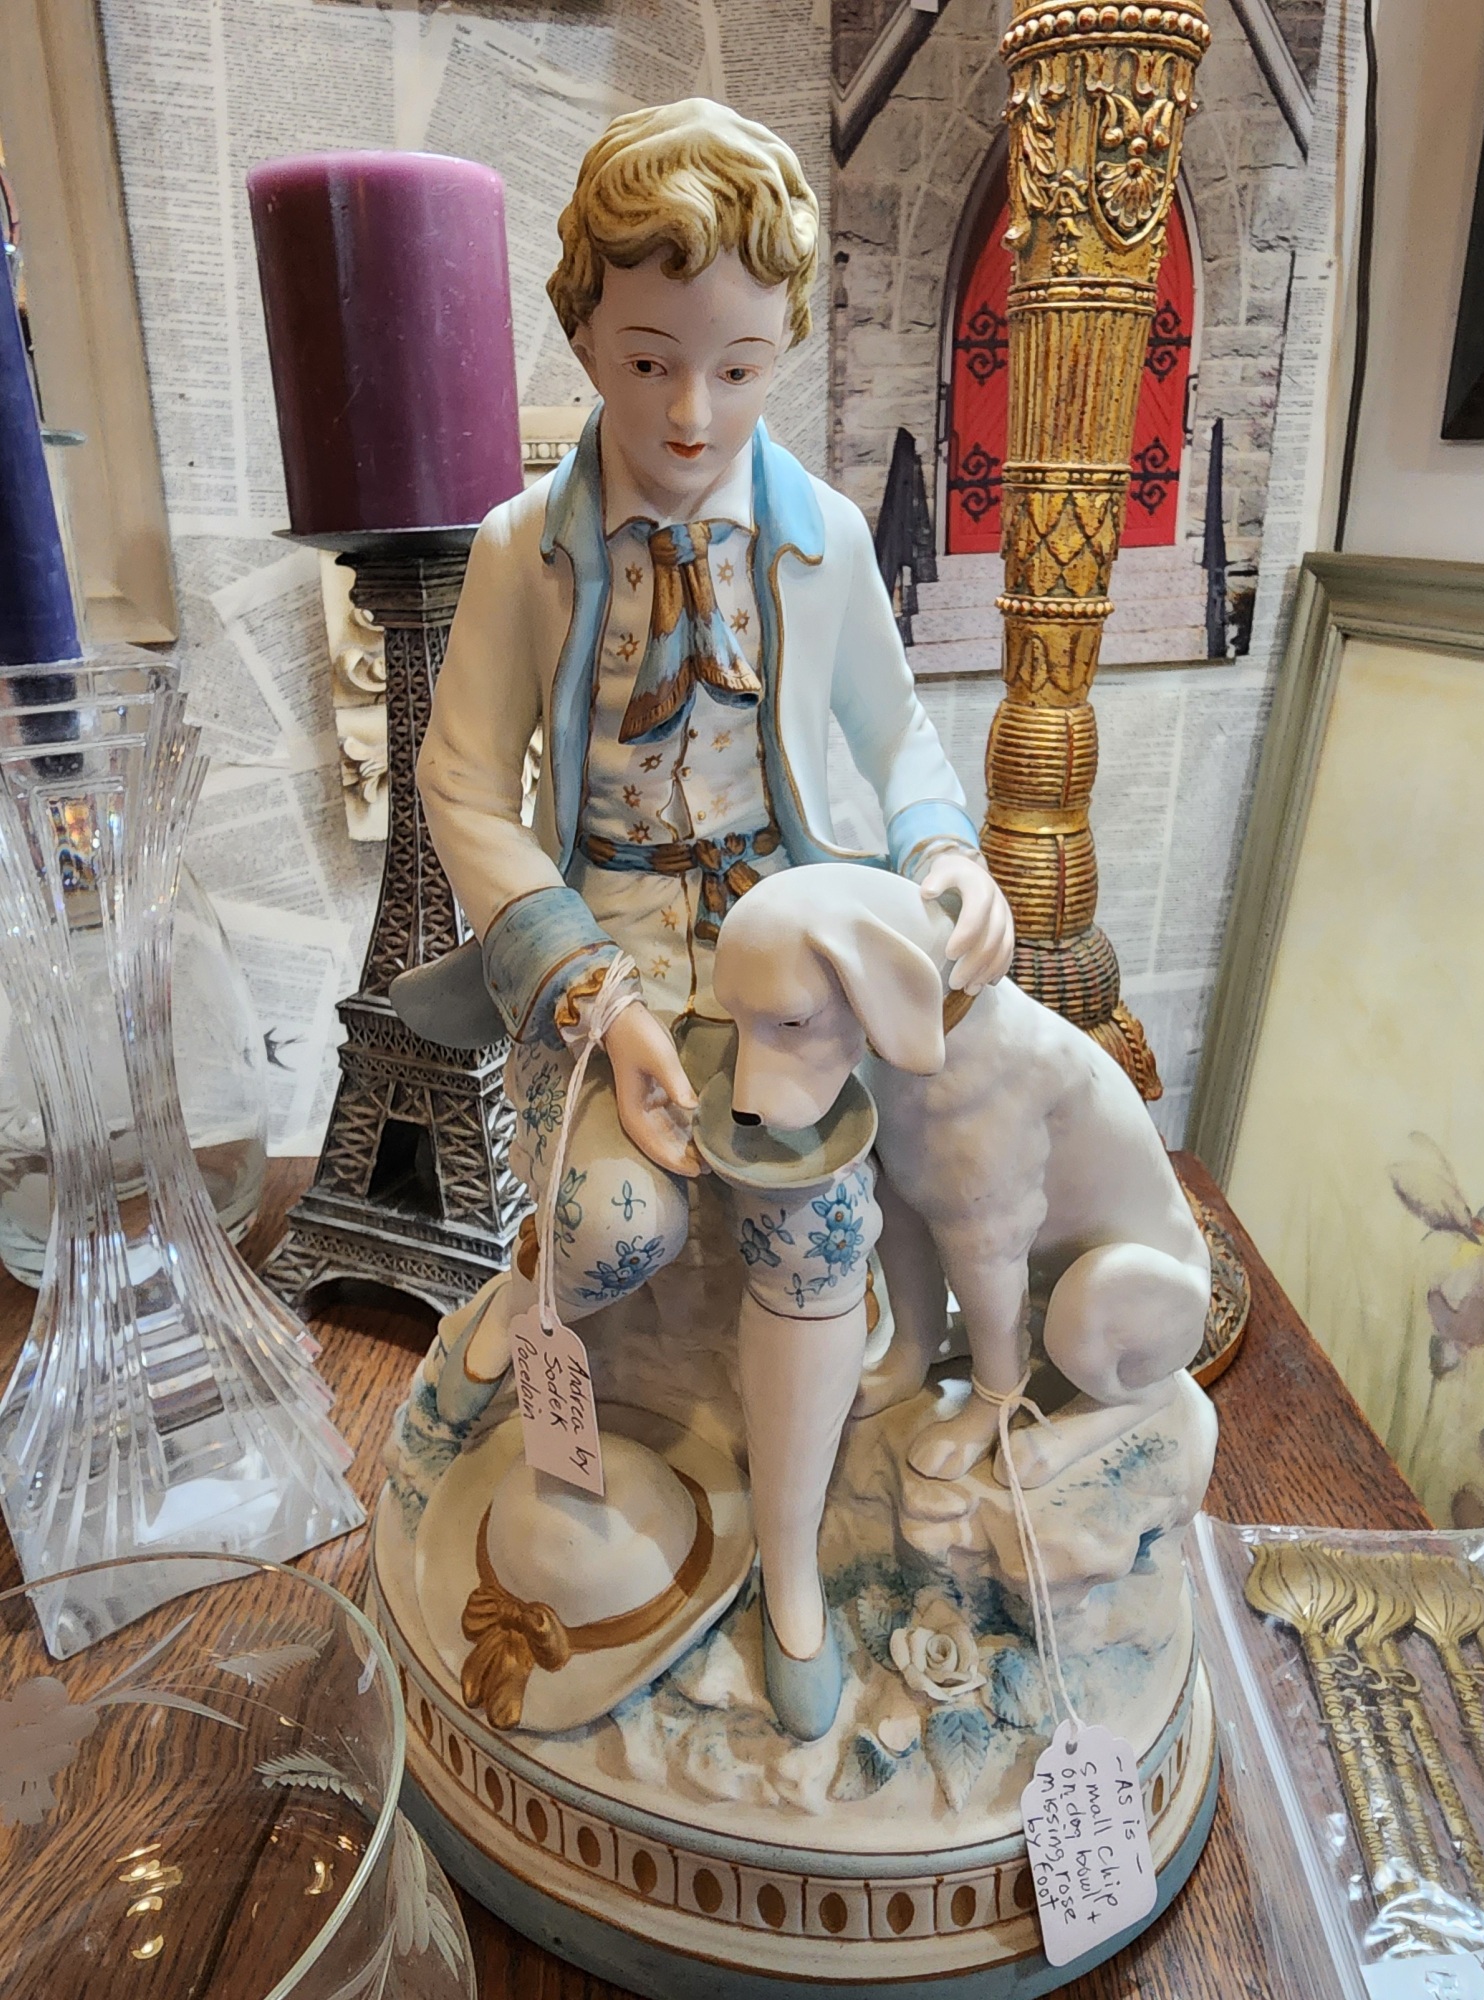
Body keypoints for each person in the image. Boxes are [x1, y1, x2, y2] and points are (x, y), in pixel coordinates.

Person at [399, 98, 1013, 1740]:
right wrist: (591, 995)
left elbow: (900, 741)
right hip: (604, 957)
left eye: (738, 368)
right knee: (614, 1228)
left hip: (781, 953)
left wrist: (949, 856)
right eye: (650, 359)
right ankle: (532, 1328)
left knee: (817, 1232)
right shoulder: (522, 553)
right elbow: (461, 785)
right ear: (584, 332)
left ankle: (794, 1562)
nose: (692, 410)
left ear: (785, 344)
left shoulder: (821, 544)